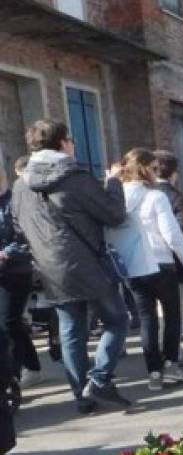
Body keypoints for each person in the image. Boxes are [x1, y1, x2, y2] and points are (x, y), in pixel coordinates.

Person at [12, 119, 130, 413]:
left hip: (49, 266)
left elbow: (18, 226)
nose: (74, 145)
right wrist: (114, 181)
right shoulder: (74, 177)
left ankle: (83, 396)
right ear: (63, 142)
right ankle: (100, 380)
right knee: (117, 320)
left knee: (71, 330)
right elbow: (114, 214)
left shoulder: (20, 185)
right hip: (86, 262)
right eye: (71, 140)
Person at [109, 149, 183, 390]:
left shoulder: (117, 199)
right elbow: (172, 235)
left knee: (147, 319)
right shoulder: (156, 197)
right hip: (160, 263)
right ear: (148, 169)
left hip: (133, 265)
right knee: (171, 316)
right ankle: (171, 364)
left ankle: (154, 373)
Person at [152, 150, 183, 364]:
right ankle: (171, 352)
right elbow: (178, 231)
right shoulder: (175, 197)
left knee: (151, 315)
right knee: (174, 313)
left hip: (143, 261)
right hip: (172, 263)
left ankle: (156, 354)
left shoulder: (142, 192)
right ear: (174, 173)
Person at [0, 166, 42, 390]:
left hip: (15, 270)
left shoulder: (16, 201)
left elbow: (26, 236)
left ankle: (12, 376)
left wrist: (6, 253)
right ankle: (31, 365)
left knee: (7, 322)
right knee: (10, 323)